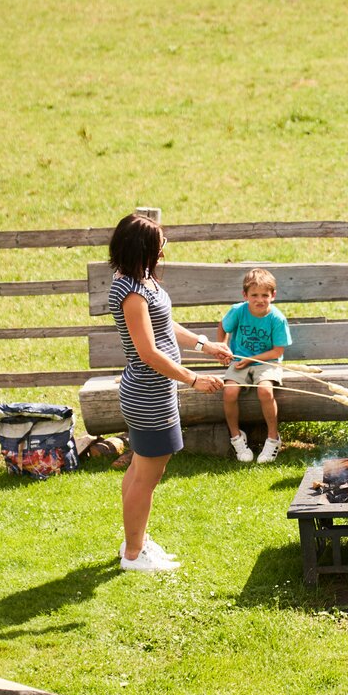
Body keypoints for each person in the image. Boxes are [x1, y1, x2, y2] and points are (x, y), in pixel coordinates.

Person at [108, 213, 231, 572]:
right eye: (160, 242)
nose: (165, 247)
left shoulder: (141, 281)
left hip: (155, 392)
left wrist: (204, 345)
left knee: (141, 470)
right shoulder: (131, 292)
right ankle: (133, 554)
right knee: (147, 475)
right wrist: (194, 380)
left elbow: (165, 324)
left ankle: (137, 541)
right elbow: (148, 352)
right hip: (148, 395)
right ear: (144, 249)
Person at [219, 267, 293, 464]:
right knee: (229, 392)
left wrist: (251, 360)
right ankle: (236, 436)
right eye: (254, 295)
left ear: (273, 295)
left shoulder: (277, 318)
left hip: (266, 362)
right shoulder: (238, 311)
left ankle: (273, 438)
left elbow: (277, 352)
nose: (259, 300)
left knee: (265, 391)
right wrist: (223, 348)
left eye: (264, 295)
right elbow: (223, 327)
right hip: (239, 360)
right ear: (245, 295)